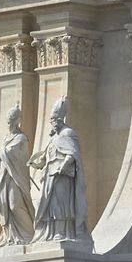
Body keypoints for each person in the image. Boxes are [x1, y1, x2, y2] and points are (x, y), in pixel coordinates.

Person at [31, 97, 88, 243]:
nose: (53, 124)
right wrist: (37, 163)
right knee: (51, 205)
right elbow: (47, 156)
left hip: (63, 175)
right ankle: (52, 232)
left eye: (54, 120)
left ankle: (62, 232)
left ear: (60, 120)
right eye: (51, 121)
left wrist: (64, 166)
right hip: (50, 175)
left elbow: (72, 153)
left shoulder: (68, 133)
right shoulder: (54, 137)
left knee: (62, 204)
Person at [0, 105, 33, 247]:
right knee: (5, 206)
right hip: (4, 177)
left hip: (16, 178)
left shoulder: (21, 138)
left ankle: (29, 235)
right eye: (8, 121)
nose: (9, 124)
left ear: (17, 121)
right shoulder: (6, 138)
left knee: (15, 205)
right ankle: (10, 236)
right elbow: (5, 154)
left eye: (11, 120)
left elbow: (13, 156)